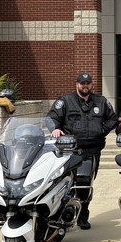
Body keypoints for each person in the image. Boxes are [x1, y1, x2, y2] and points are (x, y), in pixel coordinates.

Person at [47, 72, 117, 230]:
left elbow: (112, 118)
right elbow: (52, 117)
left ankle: (82, 216)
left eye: (88, 83)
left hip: (92, 149)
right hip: (70, 151)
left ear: (91, 84)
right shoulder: (65, 100)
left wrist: (102, 130)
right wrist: (55, 128)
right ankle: (63, 216)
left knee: (85, 184)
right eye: (82, 83)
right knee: (65, 183)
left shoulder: (101, 101)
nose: (85, 86)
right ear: (77, 85)